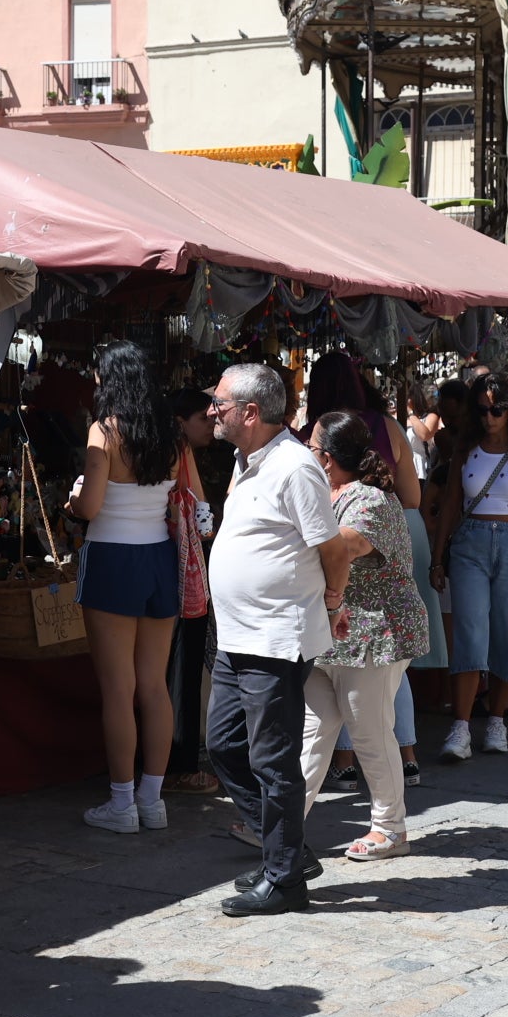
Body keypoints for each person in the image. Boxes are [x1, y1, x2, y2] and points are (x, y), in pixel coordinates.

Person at [205, 362, 352, 916]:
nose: (211, 410)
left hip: (274, 637)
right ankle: (287, 852)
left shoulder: (295, 467)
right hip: (238, 635)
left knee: (273, 759)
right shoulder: (245, 461)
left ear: (251, 412)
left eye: (219, 402)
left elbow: (332, 549)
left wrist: (333, 603)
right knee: (223, 745)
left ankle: (286, 877)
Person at [67, 341, 201, 832]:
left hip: (112, 558)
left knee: (118, 689)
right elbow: (195, 503)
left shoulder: (103, 433)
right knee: (153, 686)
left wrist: (74, 499)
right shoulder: (172, 434)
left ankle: (122, 803)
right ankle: (152, 799)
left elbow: (91, 508)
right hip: (159, 559)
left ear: (112, 379)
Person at [300, 413, 428, 860]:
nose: (303, 452)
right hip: (332, 637)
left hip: (375, 636)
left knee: (371, 731)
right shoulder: (324, 494)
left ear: (328, 459)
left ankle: (390, 829)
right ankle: (278, 823)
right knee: (312, 732)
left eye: (309, 447)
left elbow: (343, 546)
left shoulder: (370, 499)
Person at [430, 367, 508, 762]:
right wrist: (437, 556)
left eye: (497, 409)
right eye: (481, 410)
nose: (489, 417)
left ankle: (496, 719)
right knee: (469, 632)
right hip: (470, 544)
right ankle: (461, 726)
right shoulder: (465, 449)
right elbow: (450, 503)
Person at [165, 387, 223, 797]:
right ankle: (179, 764)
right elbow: (199, 515)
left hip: (174, 562)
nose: (212, 424)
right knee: (180, 664)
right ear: (182, 419)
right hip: (181, 564)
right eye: (204, 417)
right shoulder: (175, 448)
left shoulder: (176, 448)